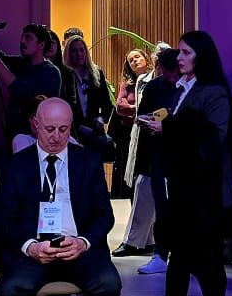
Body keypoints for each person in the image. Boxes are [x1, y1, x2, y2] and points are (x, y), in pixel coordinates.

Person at [0, 99, 122, 296]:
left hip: (78, 248)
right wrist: (31, 247)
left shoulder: (88, 161)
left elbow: (104, 216)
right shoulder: (16, 165)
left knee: (109, 285)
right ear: (36, 125)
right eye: (50, 129)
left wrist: (83, 242)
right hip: (36, 251)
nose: (56, 137)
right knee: (11, 289)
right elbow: (4, 220)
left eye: (63, 129)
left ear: (70, 126)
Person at [144, 30, 232, 296]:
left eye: (185, 52)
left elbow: (213, 140)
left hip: (205, 193)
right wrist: (164, 128)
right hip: (183, 189)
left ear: (201, 56)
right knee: (180, 258)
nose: (178, 57)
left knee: (206, 260)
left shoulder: (215, 92)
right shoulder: (182, 88)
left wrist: (168, 127)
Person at [116, 45, 176, 269]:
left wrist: (167, 122)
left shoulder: (188, 87)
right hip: (152, 146)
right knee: (147, 190)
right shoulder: (150, 85)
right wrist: (157, 119)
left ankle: (159, 246)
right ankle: (143, 245)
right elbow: (140, 113)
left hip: (177, 152)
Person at [0, 24, 63, 151]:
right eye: (22, 37)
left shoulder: (51, 73)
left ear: (41, 45)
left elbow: (20, 90)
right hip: (13, 136)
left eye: (28, 38)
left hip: (37, 140)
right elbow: (0, 57)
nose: (22, 41)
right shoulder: (22, 64)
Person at [59, 33, 116, 161]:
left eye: (81, 50)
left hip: (94, 131)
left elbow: (106, 104)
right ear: (68, 53)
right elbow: (63, 106)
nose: (79, 54)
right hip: (72, 133)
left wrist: (101, 118)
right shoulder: (65, 75)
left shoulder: (96, 73)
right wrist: (78, 126)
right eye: (74, 51)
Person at [109, 47, 151, 198]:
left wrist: (133, 108)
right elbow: (120, 107)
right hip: (130, 132)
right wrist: (138, 109)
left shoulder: (154, 79)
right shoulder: (127, 84)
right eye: (131, 60)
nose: (135, 61)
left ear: (145, 58)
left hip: (151, 131)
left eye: (137, 57)